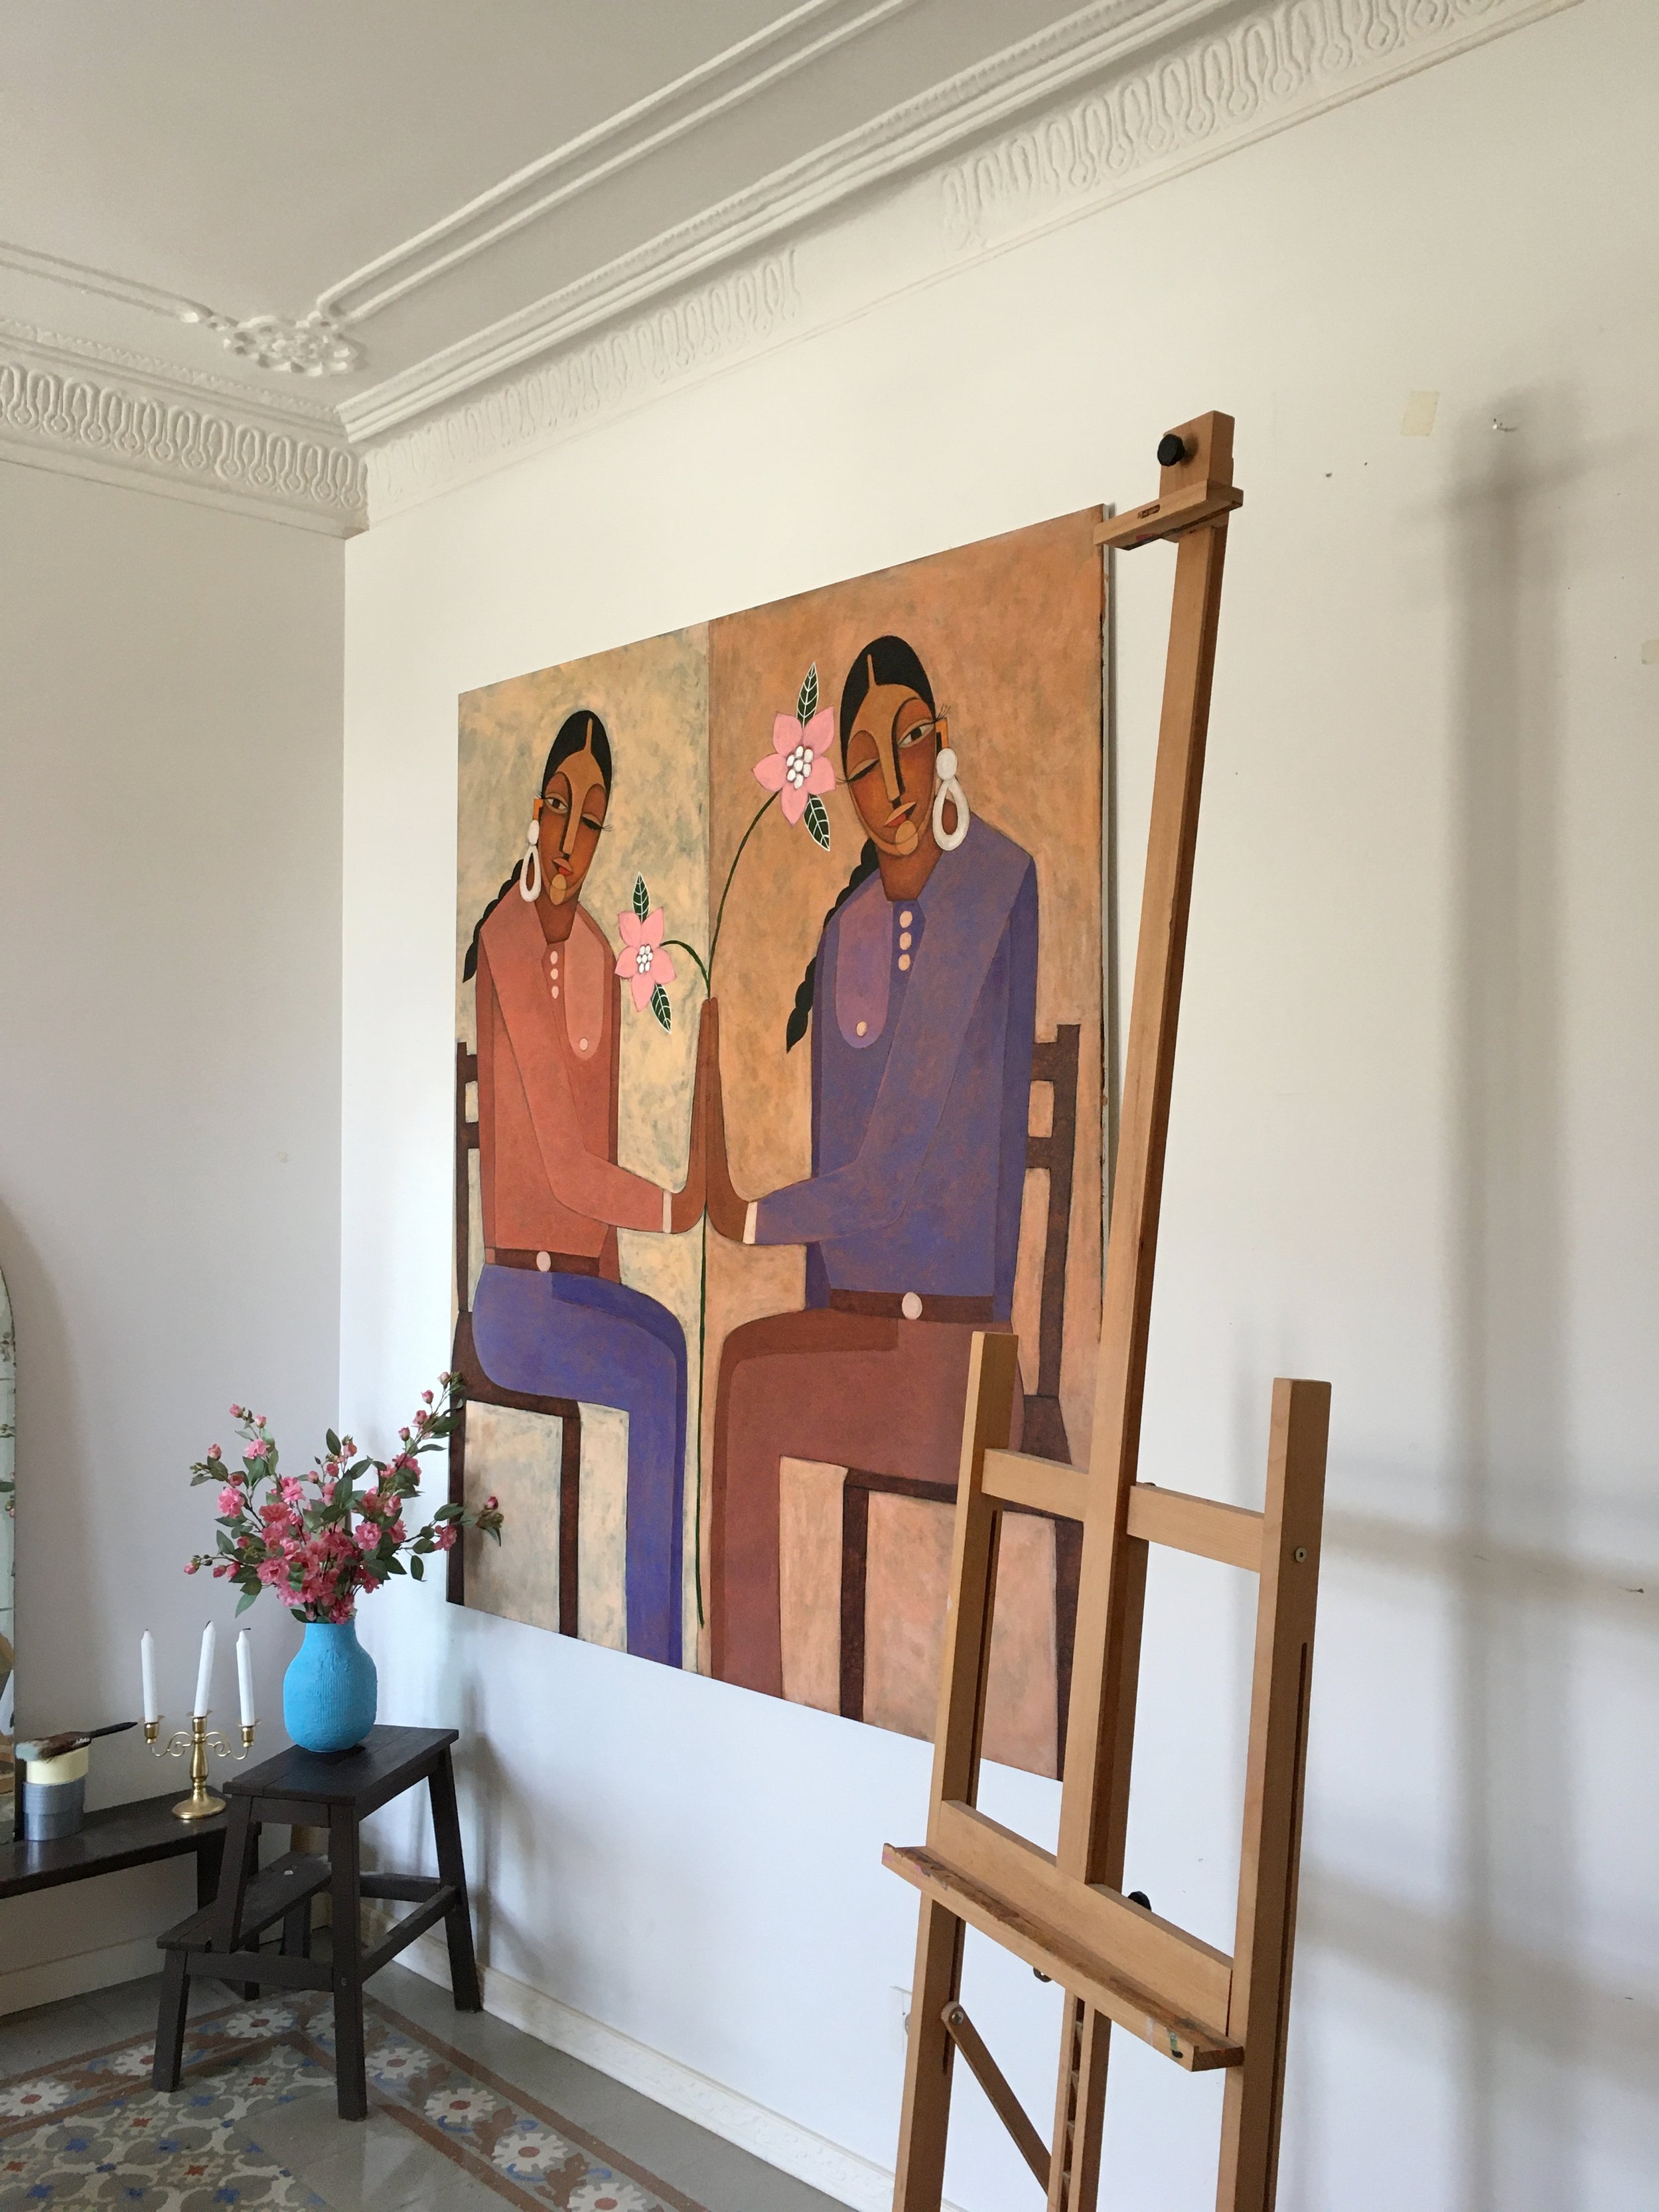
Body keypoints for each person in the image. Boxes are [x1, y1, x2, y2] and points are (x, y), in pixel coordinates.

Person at [703, 636, 1038, 1696]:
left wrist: (745, 1214)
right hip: (861, 1327)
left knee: (749, 1378)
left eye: (910, 740)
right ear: (841, 784)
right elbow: (837, 1165)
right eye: (861, 760)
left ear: (942, 741)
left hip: (957, 1348)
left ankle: (741, 1700)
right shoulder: (845, 925)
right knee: (750, 1365)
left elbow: (886, 1176)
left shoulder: (994, 883)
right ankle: (752, 1699)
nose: (891, 780)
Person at [464, 710, 712, 1667]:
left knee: (670, 1343)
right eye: (561, 808)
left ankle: (657, 1644)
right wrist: (674, 1206)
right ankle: (657, 1658)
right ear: (536, 811)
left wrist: (617, 1282)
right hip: (518, 1300)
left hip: (578, 1285)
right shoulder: (505, 938)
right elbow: (569, 1168)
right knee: (653, 1370)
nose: (573, 837)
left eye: (593, 818)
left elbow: (596, 1144)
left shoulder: (603, 951)